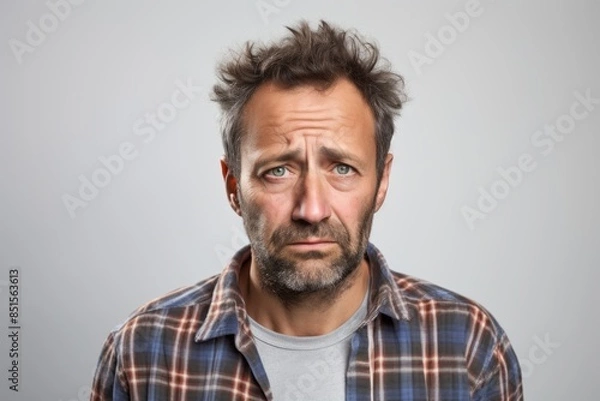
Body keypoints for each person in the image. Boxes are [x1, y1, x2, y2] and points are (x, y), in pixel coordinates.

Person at [90, 20, 523, 401]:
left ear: (381, 181)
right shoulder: (142, 352)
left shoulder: (469, 349)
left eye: (342, 168)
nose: (312, 209)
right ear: (233, 186)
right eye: (278, 170)